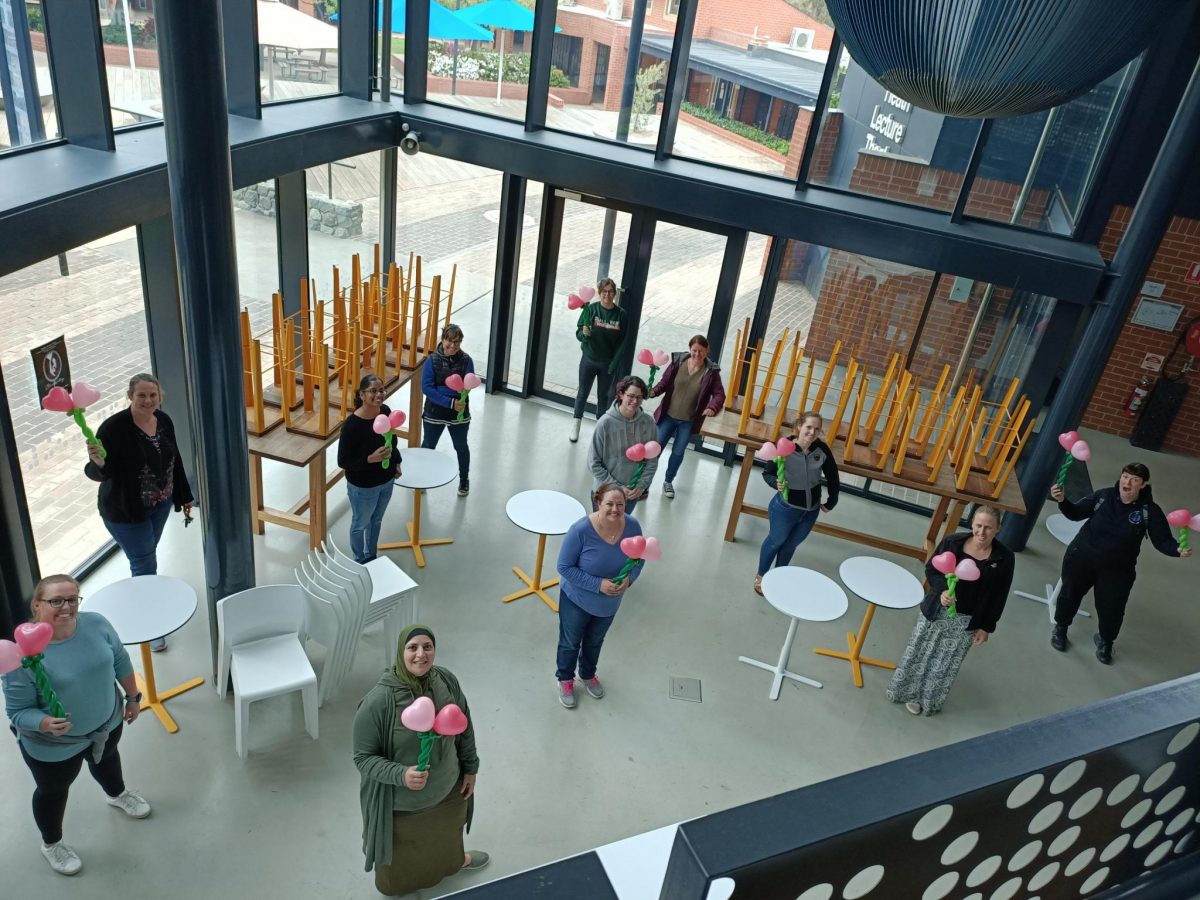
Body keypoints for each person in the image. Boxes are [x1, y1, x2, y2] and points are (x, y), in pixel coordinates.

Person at [2, 575, 152, 876]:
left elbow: (120, 660)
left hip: (107, 723)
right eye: (56, 600)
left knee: (108, 759)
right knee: (53, 791)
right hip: (54, 745)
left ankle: (117, 794)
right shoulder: (24, 655)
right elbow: (18, 712)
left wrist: (133, 697)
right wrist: (43, 722)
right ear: (37, 605)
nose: (66, 607)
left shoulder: (96, 623)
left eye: (72, 599)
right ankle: (52, 844)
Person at [352, 625, 487, 895]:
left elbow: (464, 725)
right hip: (404, 805)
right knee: (404, 855)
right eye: (412, 647)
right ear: (400, 651)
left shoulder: (445, 680)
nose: (420, 654)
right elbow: (363, 758)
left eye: (427, 646)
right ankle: (402, 888)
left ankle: (454, 862)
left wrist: (470, 768)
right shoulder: (379, 701)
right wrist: (400, 774)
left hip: (449, 787)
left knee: (448, 834)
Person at [84, 373, 193, 651]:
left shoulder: (163, 420)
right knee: (145, 564)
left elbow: (175, 458)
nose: (147, 400)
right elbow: (101, 472)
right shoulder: (113, 428)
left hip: (160, 505)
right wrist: (97, 462)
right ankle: (150, 624)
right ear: (130, 396)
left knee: (145, 558)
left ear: (160, 397)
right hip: (126, 512)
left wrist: (183, 495)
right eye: (141, 395)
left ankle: (145, 595)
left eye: (152, 395)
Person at [1049, 462, 1190, 664]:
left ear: (1143, 485)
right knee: (1069, 594)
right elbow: (1076, 513)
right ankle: (1061, 628)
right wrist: (1062, 500)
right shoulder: (1103, 497)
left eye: (1134, 480)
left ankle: (1106, 642)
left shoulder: (1148, 511)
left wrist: (1177, 550)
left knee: (1112, 608)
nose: (1128, 482)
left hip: (1117, 571)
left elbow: (1162, 541)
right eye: (1125, 476)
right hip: (1082, 558)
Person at [886, 506, 1014, 716]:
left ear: (998, 529)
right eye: (979, 526)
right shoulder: (953, 542)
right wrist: (942, 590)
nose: (982, 532)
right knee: (920, 651)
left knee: (945, 662)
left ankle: (925, 701)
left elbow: (1000, 594)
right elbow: (932, 569)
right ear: (972, 523)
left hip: (967, 619)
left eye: (988, 528)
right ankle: (902, 691)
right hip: (937, 610)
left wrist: (986, 626)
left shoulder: (1004, 558)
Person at [555, 483, 644, 709]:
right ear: (598, 503)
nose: (615, 509)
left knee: (595, 641)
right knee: (570, 642)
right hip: (577, 600)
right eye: (610, 504)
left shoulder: (633, 526)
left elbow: (639, 557)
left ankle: (587, 674)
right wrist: (598, 585)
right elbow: (564, 567)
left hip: (609, 604)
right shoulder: (580, 531)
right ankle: (565, 679)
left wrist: (629, 579)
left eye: (620, 505)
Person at [754, 411, 839, 595]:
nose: (812, 432)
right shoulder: (785, 447)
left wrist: (832, 501)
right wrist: (774, 483)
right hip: (785, 508)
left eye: (817, 429)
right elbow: (767, 473)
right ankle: (761, 576)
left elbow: (833, 477)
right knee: (776, 541)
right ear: (800, 426)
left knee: (791, 545)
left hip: (811, 511)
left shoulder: (821, 450)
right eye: (809, 427)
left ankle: (778, 576)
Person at [647, 335, 726, 499]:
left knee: (678, 452)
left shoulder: (711, 372)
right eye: (694, 350)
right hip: (668, 416)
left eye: (701, 351)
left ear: (707, 351)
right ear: (690, 349)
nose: (697, 354)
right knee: (655, 449)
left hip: (688, 421)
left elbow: (719, 395)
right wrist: (653, 391)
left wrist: (712, 407)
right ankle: (644, 483)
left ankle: (668, 481)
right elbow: (664, 382)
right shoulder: (678, 362)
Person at [338, 374, 403, 564]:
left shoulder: (386, 411)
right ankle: (359, 560)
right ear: (362, 395)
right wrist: (370, 459)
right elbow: (343, 461)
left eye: (381, 390)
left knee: (376, 521)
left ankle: (371, 555)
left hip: (386, 481)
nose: (379, 394)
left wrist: (397, 461)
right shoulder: (351, 426)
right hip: (363, 487)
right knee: (360, 524)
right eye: (373, 391)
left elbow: (392, 441)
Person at [589, 375, 657, 516]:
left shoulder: (648, 422)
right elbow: (593, 463)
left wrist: (641, 485)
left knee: (620, 534)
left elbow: (652, 459)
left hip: (631, 494)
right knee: (601, 534)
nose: (635, 401)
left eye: (639, 397)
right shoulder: (604, 423)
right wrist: (618, 487)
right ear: (621, 394)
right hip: (604, 494)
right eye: (631, 396)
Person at [570, 278, 628, 444]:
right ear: (600, 292)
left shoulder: (621, 315)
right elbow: (579, 331)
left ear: (614, 294)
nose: (607, 295)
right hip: (589, 359)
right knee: (583, 392)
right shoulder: (591, 309)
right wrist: (584, 334)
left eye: (610, 292)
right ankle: (576, 423)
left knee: (603, 396)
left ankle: (599, 429)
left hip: (607, 364)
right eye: (604, 291)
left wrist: (613, 365)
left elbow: (622, 343)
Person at [421, 324, 474, 497]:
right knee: (428, 446)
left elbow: (468, 384)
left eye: (457, 343)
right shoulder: (432, 360)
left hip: (459, 412)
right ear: (443, 339)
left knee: (461, 447)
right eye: (449, 342)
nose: (452, 347)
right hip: (434, 412)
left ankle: (464, 479)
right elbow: (427, 388)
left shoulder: (467, 360)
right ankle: (422, 479)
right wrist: (450, 402)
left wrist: (459, 401)